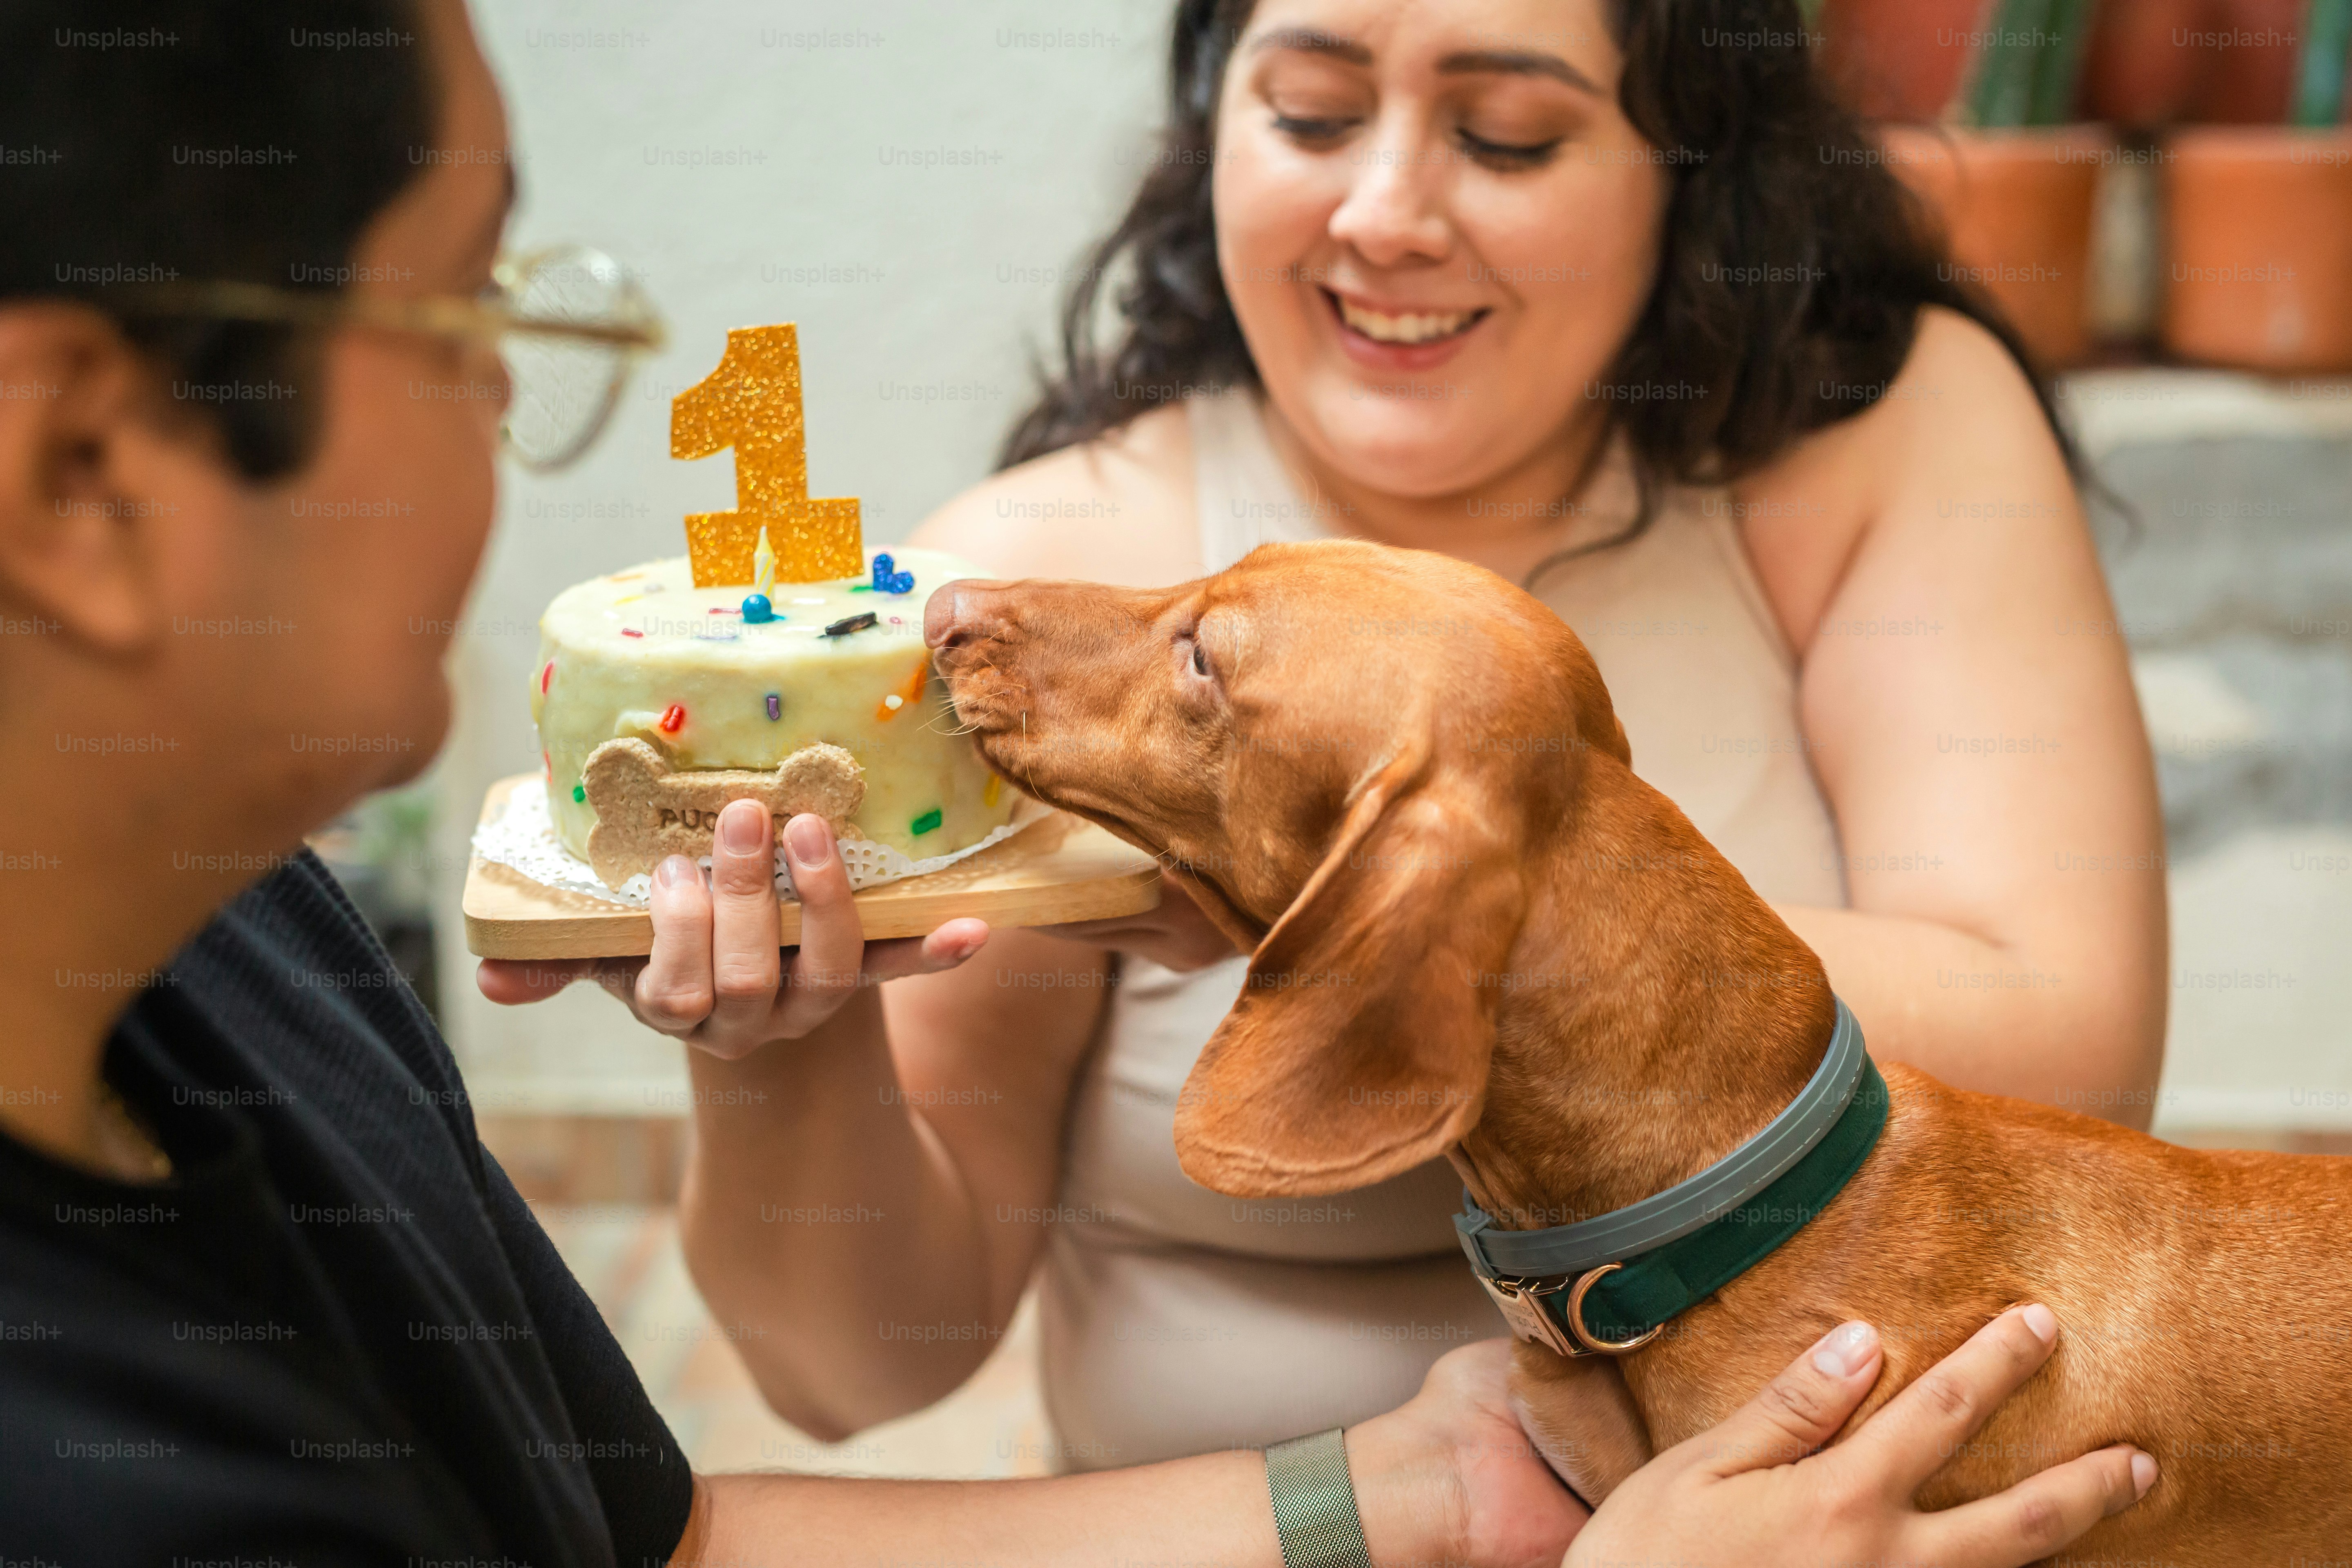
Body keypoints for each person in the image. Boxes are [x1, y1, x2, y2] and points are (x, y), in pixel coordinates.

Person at [0, 0, 2156, 1561]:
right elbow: (855, 1372)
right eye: (1310, 108)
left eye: (1508, 138)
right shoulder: (1027, 616)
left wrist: (1367, 912)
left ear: (1691, 171)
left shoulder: (1874, 429)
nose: (1389, 213)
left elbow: (2071, 1034)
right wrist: (792, 1052)